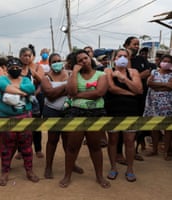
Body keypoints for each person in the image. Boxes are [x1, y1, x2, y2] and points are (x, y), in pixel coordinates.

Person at [63, 49, 110, 189]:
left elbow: (99, 93)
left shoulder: (101, 74)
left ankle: (99, 176)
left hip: (95, 112)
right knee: (72, 146)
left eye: (85, 58)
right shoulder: (74, 75)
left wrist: (78, 95)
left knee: (95, 146)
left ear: (90, 58)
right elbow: (70, 92)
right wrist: (75, 72)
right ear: (75, 64)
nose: (84, 61)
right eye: (80, 60)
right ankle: (67, 176)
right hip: (76, 112)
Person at [0, 57, 39, 186]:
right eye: (12, 67)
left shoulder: (26, 79)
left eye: (17, 67)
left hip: (24, 117)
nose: (15, 69)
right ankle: (5, 172)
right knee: (6, 146)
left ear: (21, 68)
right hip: (6, 118)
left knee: (26, 145)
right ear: (7, 69)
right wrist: (23, 92)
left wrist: (13, 88)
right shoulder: (2, 79)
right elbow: (2, 86)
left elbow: (31, 88)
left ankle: (29, 170)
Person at [41, 53, 84, 179]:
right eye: (54, 61)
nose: (57, 63)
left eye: (59, 60)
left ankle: (72, 164)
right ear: (49, 64)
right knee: (52, 140)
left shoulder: (70, 74)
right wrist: (66, 86)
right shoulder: (46, 77)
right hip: (51, 111)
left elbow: (74, 91)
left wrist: (61, 89)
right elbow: (50, 94)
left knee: (68, 141)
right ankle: (48, 167)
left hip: (68, 111)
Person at [104, 49, 143, 182]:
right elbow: (111, 88)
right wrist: (131, 93)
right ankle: (113, 167)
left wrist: (124, 79)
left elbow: (139, 89)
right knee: (113, 140)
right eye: (120, 56)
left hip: (131, 110)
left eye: (125, 56)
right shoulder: (108, 71)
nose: (122, 58)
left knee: (130, 141)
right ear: (114, 59)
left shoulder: (133, 72)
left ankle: (130, 169)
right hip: (113, 109)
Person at [17, 44, 45, 159]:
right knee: (20, 125)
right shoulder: (16, 69)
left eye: (29, 55)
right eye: (24, 55)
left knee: (36, 124)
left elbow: (42, 82)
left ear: (32, 57)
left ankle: (38, 149)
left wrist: (35, 93)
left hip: (35, 100)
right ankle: (20, 150)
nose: (27, 58)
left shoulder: (36, 68)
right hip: (19, 99)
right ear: (20, 57)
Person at [143, 54, 172, 160]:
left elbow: (171, 86)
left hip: (168, 105)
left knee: (168, 128)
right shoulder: (154, 72)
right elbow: (149, 83)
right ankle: (154, 149)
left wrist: (157, 85)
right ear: (160, 61)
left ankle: (166, 151)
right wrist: (164, 85)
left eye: (169, 61)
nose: (166, 63)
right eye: (164, 60)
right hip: (153, 104)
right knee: (154, 127)